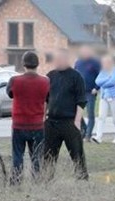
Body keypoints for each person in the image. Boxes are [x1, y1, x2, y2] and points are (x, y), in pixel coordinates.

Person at [43, 49, 88, 181]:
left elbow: (81, 100)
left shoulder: (76, 77)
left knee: (77, 153)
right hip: (52, 122)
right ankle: (47, 178)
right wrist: (43, 117)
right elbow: (45, 99)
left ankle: (82, 178)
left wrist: (77, 121)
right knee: (48, 154)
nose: (56, 61)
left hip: (70, 122)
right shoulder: (50, 76)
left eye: (59, 59)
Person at [6, 51, 49, 184]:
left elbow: (10, 94)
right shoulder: (45, 81)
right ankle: (36, 182)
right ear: (37, 64)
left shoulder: (14, 80)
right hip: (37, 125)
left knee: (18, 155)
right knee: (36, 156)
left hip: (19, 124)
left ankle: (16, 182)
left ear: (23, 64)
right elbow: (48, 98)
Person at [92, 56, 115, 144]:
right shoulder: (103, 72)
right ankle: (98, 137)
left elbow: (113, 81)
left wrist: (104, 83)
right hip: (104, 97)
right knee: (101, 116)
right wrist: (107, 79)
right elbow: (97, 81)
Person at [74, 46, 100, 140]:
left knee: (90, 114)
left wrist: (96, 88)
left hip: (90, 92)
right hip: (79, 92)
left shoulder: (95, 62)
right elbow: (74, 75)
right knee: (76, 113)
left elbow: (101, 75)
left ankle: (88, 135)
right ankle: (84, 130)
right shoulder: (78, 62)